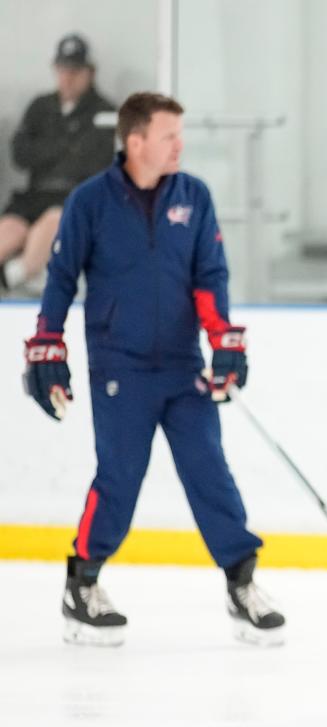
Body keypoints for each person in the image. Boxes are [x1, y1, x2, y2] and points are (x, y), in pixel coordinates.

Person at [22, 92, 285, 648]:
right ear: (135, 141)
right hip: (119, 367)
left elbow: (209, 275)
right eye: (169, 136)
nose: (179, 146)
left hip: (183, 365)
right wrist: (48, 348)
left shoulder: (193, 196)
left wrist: (225, 342)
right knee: (119, 478)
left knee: (210, 471)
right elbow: (61, 279)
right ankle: (83, 584)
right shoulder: (90, 202)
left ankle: (241, 583)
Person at [0, 34, 115, 294]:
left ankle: (15, 275)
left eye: (75, 71)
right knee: (9, 229)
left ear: (89, 72)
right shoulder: (41, 107)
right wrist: (67, 147)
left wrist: (51, 149)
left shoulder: (104, 112)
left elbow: (97, 165)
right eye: (63, 70)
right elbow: (20, 154)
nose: (68, 77)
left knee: (53, 223)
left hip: (74, 196)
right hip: (35, 194)